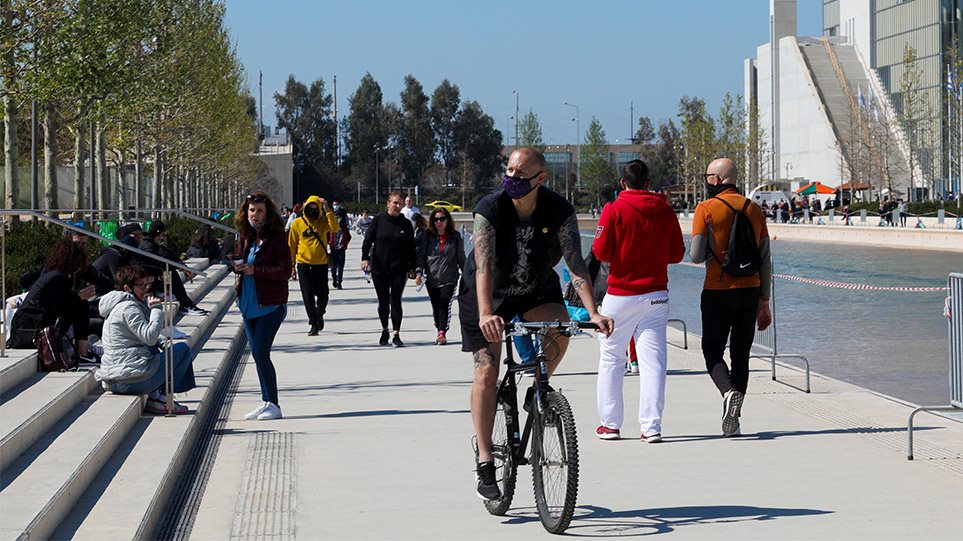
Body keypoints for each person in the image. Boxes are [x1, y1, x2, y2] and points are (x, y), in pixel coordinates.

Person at [460, 146, 613, 500]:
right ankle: (485, 460)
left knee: (561, 330)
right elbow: (483, 266)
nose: (511, 179)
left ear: (540, 179)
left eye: (520, 174)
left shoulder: (558, 209)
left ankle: (538, 390)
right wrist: (486, 313)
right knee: (486, 368)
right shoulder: (490, 208)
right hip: (487, 292)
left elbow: (576, 264)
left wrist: (592, 312)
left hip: (534, 287)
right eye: (509, 171)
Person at [591, 160, 685, 443]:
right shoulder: (666, 211)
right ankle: (652, 427)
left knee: (611, 356)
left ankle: (610, 424)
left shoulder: (613, 209)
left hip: (620, 294)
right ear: (647, 182)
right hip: (656, 294)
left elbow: (600, 251)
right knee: (653, 362)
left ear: (623, 183)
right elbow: (677, 254)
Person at [689, 157, 773, 437]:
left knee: (712, 350)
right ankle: (734, 421)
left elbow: (696, 255)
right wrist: (764, 302)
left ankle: (727, 393)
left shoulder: (706, 208)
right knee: (741, 354)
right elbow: (765, 259)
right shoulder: (755, 209)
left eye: (708, 175)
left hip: (717, 290)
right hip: (750, 291)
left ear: (716, 179)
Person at [95, 265, 195, 414]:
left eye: (146, 284)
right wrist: (156, 310)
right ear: (127, 288)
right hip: (130, 381)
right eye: (141, 285)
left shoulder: (117, 305)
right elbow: (149, 337)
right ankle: (160, 398)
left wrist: (161, 341)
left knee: (156, 348)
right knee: (182, 350)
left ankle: (158, 396)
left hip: (116, 379)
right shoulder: (129, 308)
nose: (146, 289)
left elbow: (143, 335)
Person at [235, 191, 292, 421]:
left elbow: (285, 271)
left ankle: (273, 404)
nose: (255, 215)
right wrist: (236, 265)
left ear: (267, 213)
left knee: (260, 352)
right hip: (248, 304)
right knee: (258, 355)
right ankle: (266, 401)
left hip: (270, 306)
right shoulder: (245, 236)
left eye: (259, 211)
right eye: (251, 210)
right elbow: (241, 261)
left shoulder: (277, 237)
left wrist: (255, 270)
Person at [8, 239, 97, 361]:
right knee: (81, 306)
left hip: (35, 321)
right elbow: (59, 308)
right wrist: (78, 297)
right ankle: (82, 352)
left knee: (82, 305)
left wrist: (78, 298)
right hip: (33, 326)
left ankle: (83, 352)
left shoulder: (57, 275)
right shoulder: (58, 278)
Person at [361, 192, 416, 347]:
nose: (398, 206)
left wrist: (412, 267)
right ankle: (385, 329)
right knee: (384, 301)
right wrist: (365, 258)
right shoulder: (378, 220)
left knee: (396, 300)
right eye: (395, 203)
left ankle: (396, 334)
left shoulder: (405, 224)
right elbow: (368, 241)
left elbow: (411, 247)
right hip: (379, 268)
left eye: (400, 204)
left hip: (400, 268)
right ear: (388, 204)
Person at [288, 195, 338, 335]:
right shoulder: (297, 223)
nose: (313, 211)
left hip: (320, 264)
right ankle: (313, 323)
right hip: (303, 264)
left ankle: (319, 313)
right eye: (310, 208)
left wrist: (328, 210)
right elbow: (291, 246)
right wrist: (291, 266)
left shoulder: (323, 221)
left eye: (316, 208)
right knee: (307, 295)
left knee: (323, 295)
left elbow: (335, 228)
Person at [415, 207, 465, 345]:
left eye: (442, 219)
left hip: (449, 277)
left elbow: (461, 257)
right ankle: (439, 327)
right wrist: (419, 272)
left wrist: (467, 274)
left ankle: (442, 333)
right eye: (436, 219)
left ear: (447, 220)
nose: (439, 222)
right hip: (431, 277)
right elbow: (421, 256)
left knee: (444, 303)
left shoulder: (455, 236)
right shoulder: (427, 236)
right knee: (436, 306)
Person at [138, 221, 208, 316]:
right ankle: (185, 304)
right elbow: (155, 261)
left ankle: (185, 303)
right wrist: (161, 272)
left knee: (170, 271)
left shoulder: (153, 243)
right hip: (149, 278)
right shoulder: (147, 245)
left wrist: (181, 266)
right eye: (163, 234)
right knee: (170, 272)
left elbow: (167, 255)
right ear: (158, 232)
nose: (163, 237)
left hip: (154, 276)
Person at [329, 200, 352, 290]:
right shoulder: (330, 219)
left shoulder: (344, 224)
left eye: (336, 204)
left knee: (341, 266)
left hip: (341, 247)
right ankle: (334, 278)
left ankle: (339, 282)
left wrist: (345, 243)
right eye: (334, 204)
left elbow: (349, 236)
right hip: (333, 246)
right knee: (334, 266)